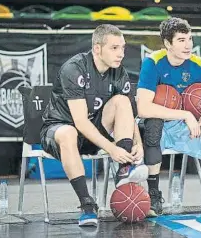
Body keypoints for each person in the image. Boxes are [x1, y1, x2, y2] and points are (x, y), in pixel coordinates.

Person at [40, 24, 148, 227]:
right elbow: (80, 121)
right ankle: (87, 205)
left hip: (92, 132)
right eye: (114, 48)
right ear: (97, 49)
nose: (121, 54)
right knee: (68, 132)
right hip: (59, 129)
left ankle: (124, 168)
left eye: (123, 47)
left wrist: (138, 144)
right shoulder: (75, 68)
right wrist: (111, 148)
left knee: (122, 101)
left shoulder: (118, 72)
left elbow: (129, 114)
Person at [136, 17, 201, 217]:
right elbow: (143, 109)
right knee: (153, 125)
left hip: (189, 127)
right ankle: (154, 196)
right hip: (162, 125)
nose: (188, 45)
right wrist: (185, 114)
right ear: (167, 43)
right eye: (182, 40)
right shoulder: (153, 63)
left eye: (190, 39)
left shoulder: (199, 65)